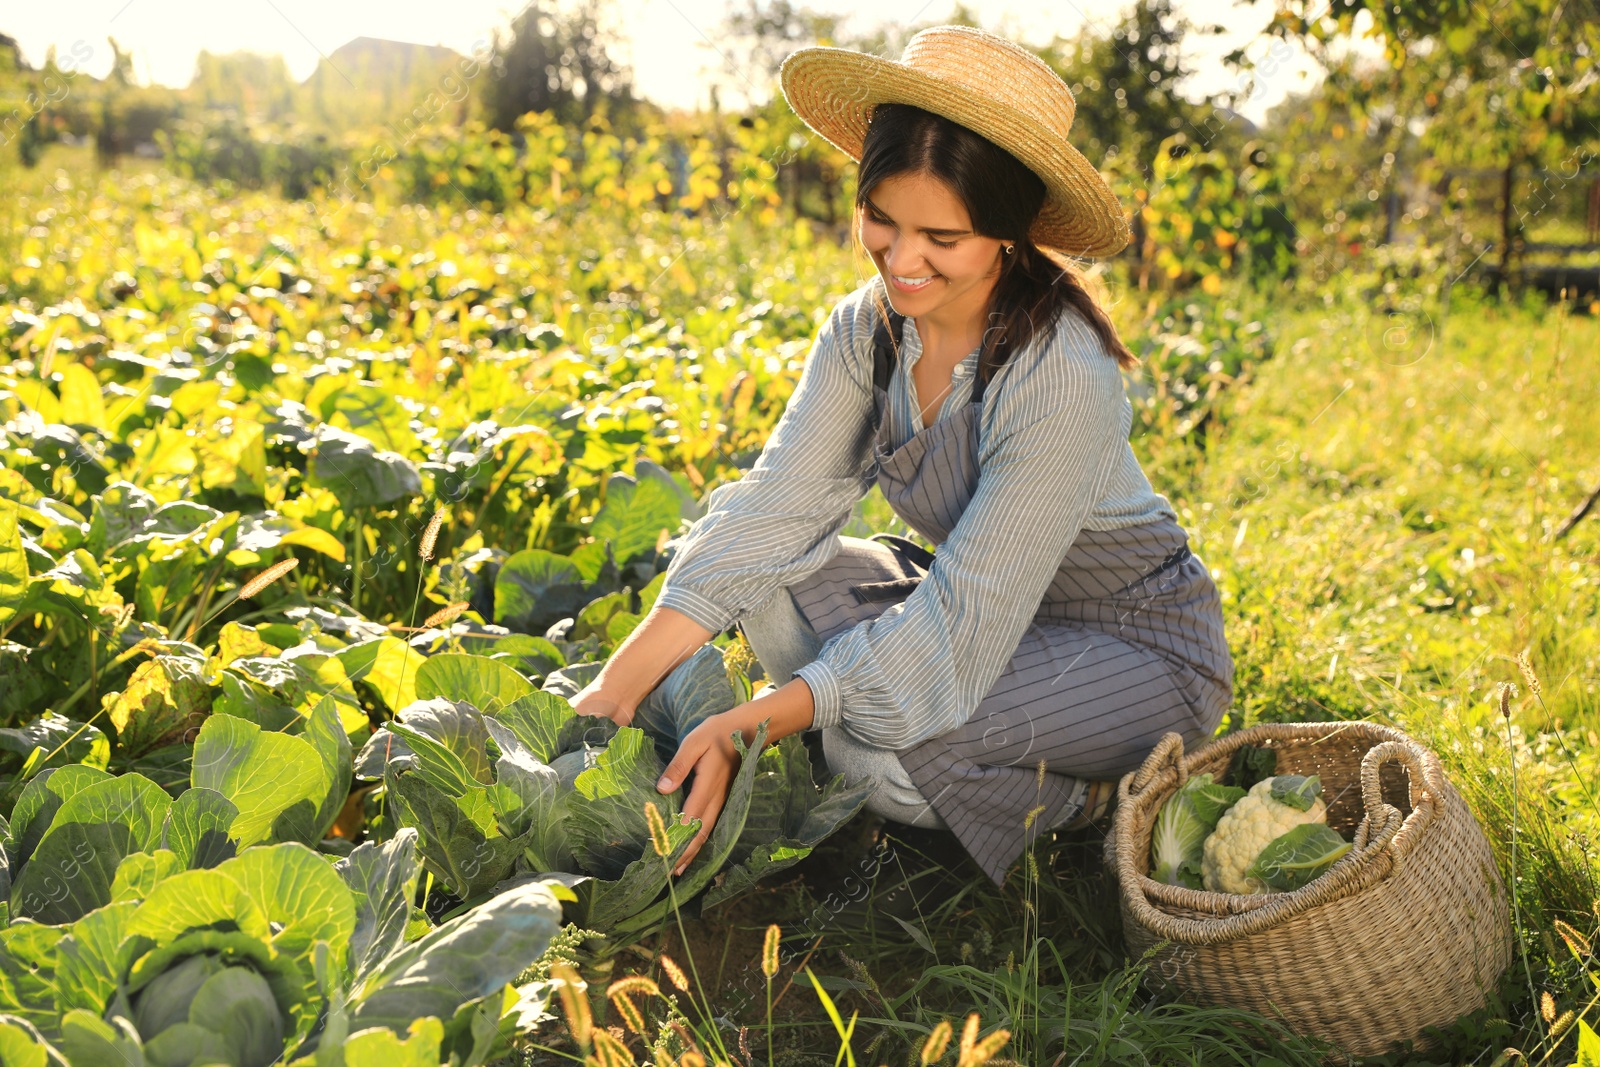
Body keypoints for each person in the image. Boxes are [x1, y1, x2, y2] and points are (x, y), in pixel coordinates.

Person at [571, 25, 1233, 885]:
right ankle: (893, 722)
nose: (903, 259)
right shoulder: (867, 327)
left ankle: (1089, 794)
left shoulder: (1060, 369)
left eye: (942, 238)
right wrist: (613, 690)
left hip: (1132, 649)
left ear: (1007, 233)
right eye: (881, 218)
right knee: (763, 575)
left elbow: (962, 623)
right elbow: (777, 507)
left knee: (867, 741)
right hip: (985, 608)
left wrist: (760, 718)